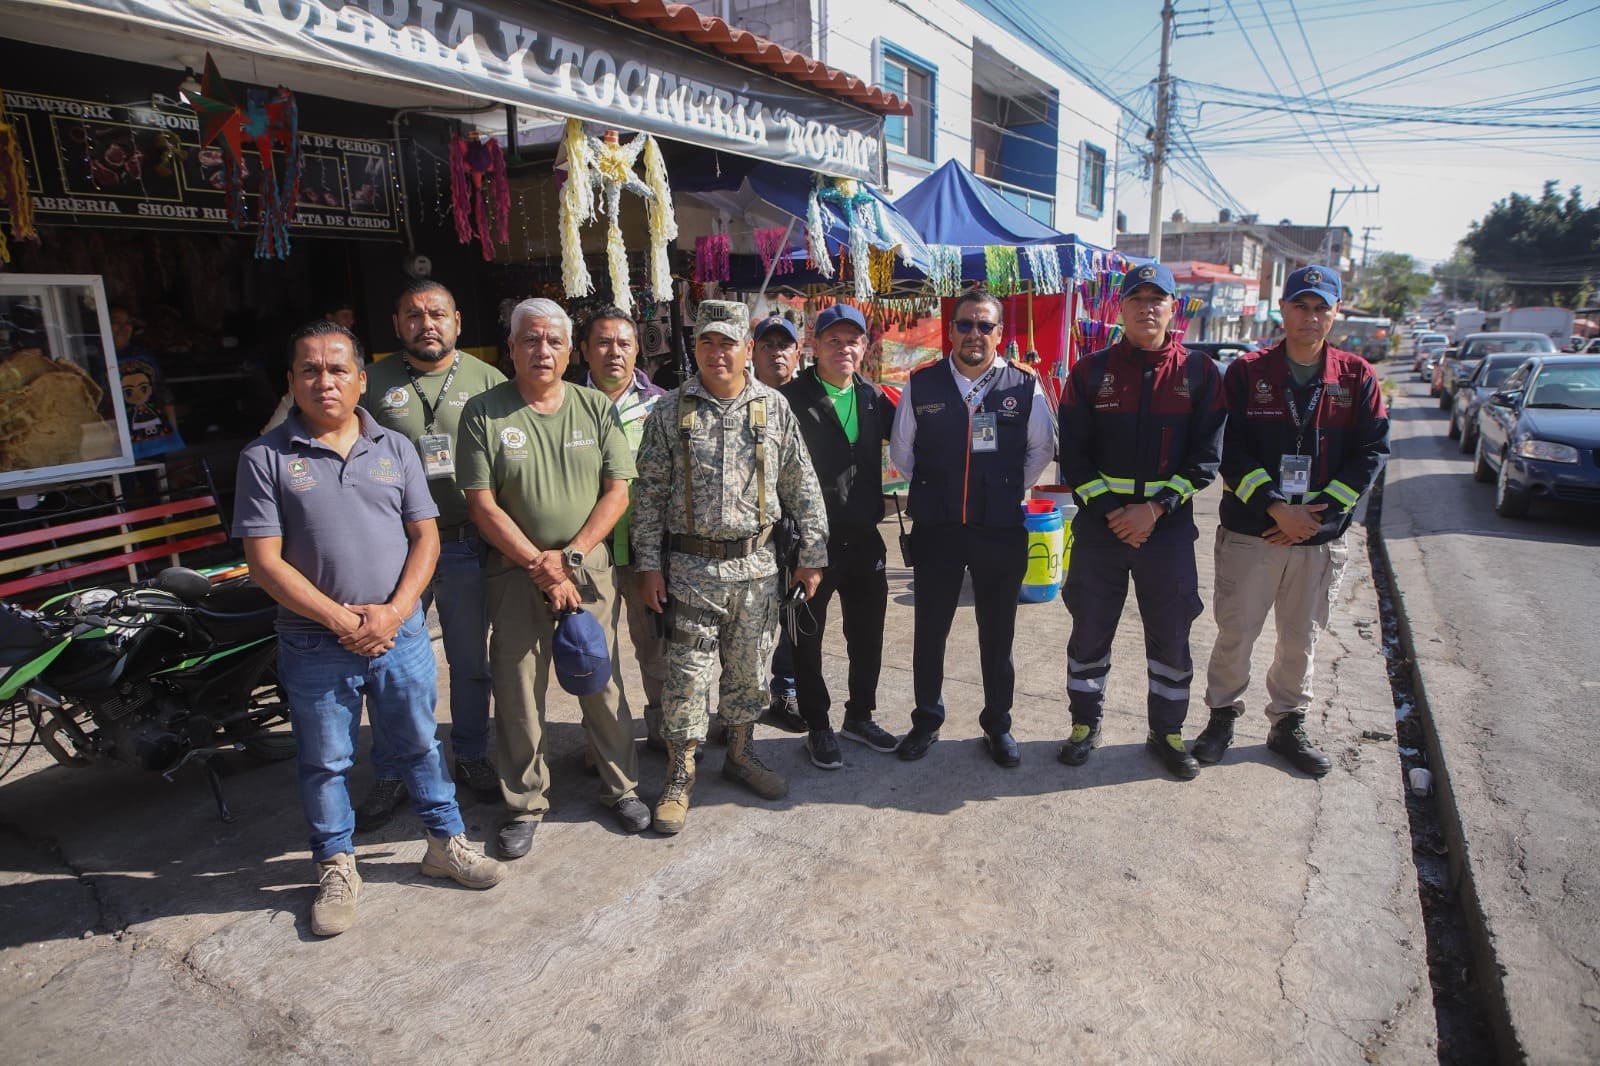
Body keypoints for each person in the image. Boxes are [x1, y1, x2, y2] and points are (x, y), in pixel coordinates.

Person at [233, 320, 506, 938]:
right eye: (310, 369)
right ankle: (335, 865)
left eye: (337, 370)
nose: (323, 381)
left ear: (361, 379)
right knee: (326, 760)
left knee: (418, 743)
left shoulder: (396, 448)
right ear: (292, 381)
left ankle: (445, 844)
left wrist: (394, 611)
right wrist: (341, 620)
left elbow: (426, 536)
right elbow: (264, 561)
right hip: (313, 640)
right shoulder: (265, 458)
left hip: (399, 631)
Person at [632, 300, 829, 834]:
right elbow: (647, 496)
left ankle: (741, 754)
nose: (717, 354)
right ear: (694, 349)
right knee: (687, 679)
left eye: (728, 344)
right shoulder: (670, 411)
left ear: (748, 349)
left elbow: (801, 484)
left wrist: (811, 557)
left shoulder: (773, 407)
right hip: (691, 573)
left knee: (750, 676)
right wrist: (648, 567)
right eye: (707, 344)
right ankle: (680, 773)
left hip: (759, 570)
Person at [459, 298, 647, 859]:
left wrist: (571, 556)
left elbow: (618, 490)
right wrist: (541, 564)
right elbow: (481, 504)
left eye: (554, 341)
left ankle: (622, 787)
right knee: (518, 687)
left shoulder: (595, 408)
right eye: (530, 340)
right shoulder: (483, 411)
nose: (543, 350)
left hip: (587, 570)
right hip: (514, 571)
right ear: (511, 347)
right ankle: (524, 803)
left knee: (599, 677)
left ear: (571, 351)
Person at [1193, 265, 1390, 776]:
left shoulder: (1357, 376)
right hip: (1251, 531)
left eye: (1322, 307)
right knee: (1236, 631)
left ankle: (1287, 724)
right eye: (1301, 306)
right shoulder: (1246, 372)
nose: (1311, 317)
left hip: (1318, 539)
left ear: (1336, 312)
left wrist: (1315, 520)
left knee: (1300, 637)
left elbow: (1371, 453)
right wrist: (1277, 507)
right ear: (1283, 309)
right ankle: (1221, 718)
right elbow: (1227, 449)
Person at [1055, 263, 1226, 780]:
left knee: (1172, 635)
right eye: (1137, 298)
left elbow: (1206, 460)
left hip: (1167, 533)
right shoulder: (1089, 372)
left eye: (1159, 299)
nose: (1147, 307)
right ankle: (1085, 724)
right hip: (1099, 533)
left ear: (1174, 309)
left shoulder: (1200, 374)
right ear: (1120, 307)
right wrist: (1114, 512)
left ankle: (1167, 732)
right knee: (1089, 631)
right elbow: (1074, 458)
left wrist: (1153, 510)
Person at [354, 280, 507, 830]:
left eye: (437, 314)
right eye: (413, 314)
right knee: (392, 667)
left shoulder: (488, 380)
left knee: (469, 664)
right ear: (397, 325)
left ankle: (470, 753)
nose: (427, 324)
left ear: (458, 321)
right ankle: (394, 768)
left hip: (466, 543)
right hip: (395, 552)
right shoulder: (370, 383)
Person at [888, 291, 1054, 766]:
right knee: (930, 629)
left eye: (985, 326)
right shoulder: (923, 384)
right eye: (965, 325)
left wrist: (1001, 490)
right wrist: (938, 487)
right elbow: (903, 453)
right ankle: (926, 721)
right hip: (938, 528)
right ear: (951, 330)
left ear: (1001, 334)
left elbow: (1041, 449)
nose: (975, 335)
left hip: (998, 528)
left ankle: (998, 725)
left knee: (997, 632)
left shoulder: (1024, 385)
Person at [778, 304, 900, 769]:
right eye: (834, 340)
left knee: (867, 635)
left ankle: (860, 716)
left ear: (864, 348)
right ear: (814, 345)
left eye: (853, 340)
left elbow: (914, 438)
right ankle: (818, 725)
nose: (844, 348)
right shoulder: (790, 399)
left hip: (864, 537)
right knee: (806, 637)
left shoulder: (872, 398)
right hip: (809, 544)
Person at [577, 306, 670, 751]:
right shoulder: (564, 405)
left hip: (646, 551)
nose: (614, 352)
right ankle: (606, 744)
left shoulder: (663, 405)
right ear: (584, 351)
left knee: (656, 650)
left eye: (624, 343)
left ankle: (665, 734)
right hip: (587, 553)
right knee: (595, 652)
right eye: (603, 342)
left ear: (638, 350)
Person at [749, 312, 805, 732]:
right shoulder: (736, 397)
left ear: (797, 351)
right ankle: (739, 706)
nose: (776, 353)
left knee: (792, 618)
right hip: (746, 538)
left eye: (784, 345)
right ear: (752, 351)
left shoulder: (809, 397)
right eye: (767, 345)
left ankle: (784, 691)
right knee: (741, 623)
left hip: (794, 533)